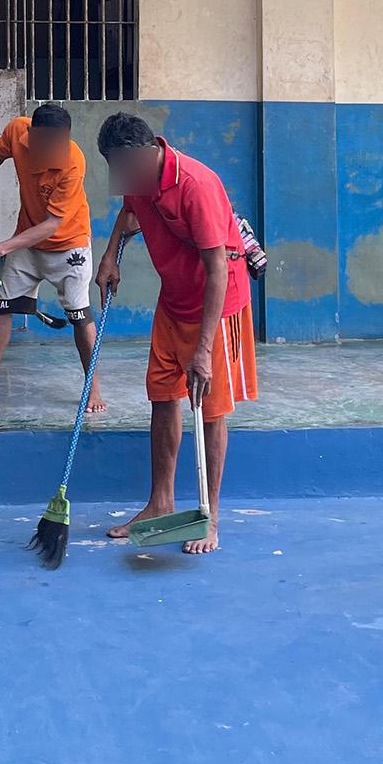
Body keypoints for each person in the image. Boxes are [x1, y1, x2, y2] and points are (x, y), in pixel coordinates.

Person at [95, 113, 255, 555]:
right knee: (162, 396)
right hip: (174, 300)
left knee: (210, 409)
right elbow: (129, 212)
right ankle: (159, 504)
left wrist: (203, 350)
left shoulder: (196, 185)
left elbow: (218, 267)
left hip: (217, 307)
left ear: (147, 154)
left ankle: (211, 516)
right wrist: (110, 257)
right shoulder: (136, 175)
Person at [0, 103, 101, 413]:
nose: (54, 151)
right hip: (28, 241)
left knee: (79, 316)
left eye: (60, 143)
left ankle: (93, 388)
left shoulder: (73, 163)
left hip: (69, 247)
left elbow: (52, 225)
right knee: (3, 309)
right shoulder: (17, 130)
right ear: (32, 135)